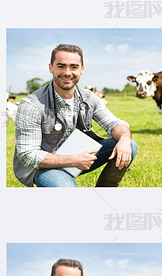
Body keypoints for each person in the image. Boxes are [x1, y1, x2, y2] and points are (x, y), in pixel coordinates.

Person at [13, 44, 138, 187]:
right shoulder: (31, 105)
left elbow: (114, 123)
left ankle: (104, 191)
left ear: (82, 69)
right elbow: (27, 155)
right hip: (43, 167)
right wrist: (73, 160)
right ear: (50, 68)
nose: (67, 72)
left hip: (78, 157)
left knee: (129, 144)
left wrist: (124, 139)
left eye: (73, 67)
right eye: (61, 66)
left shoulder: (89, 97)